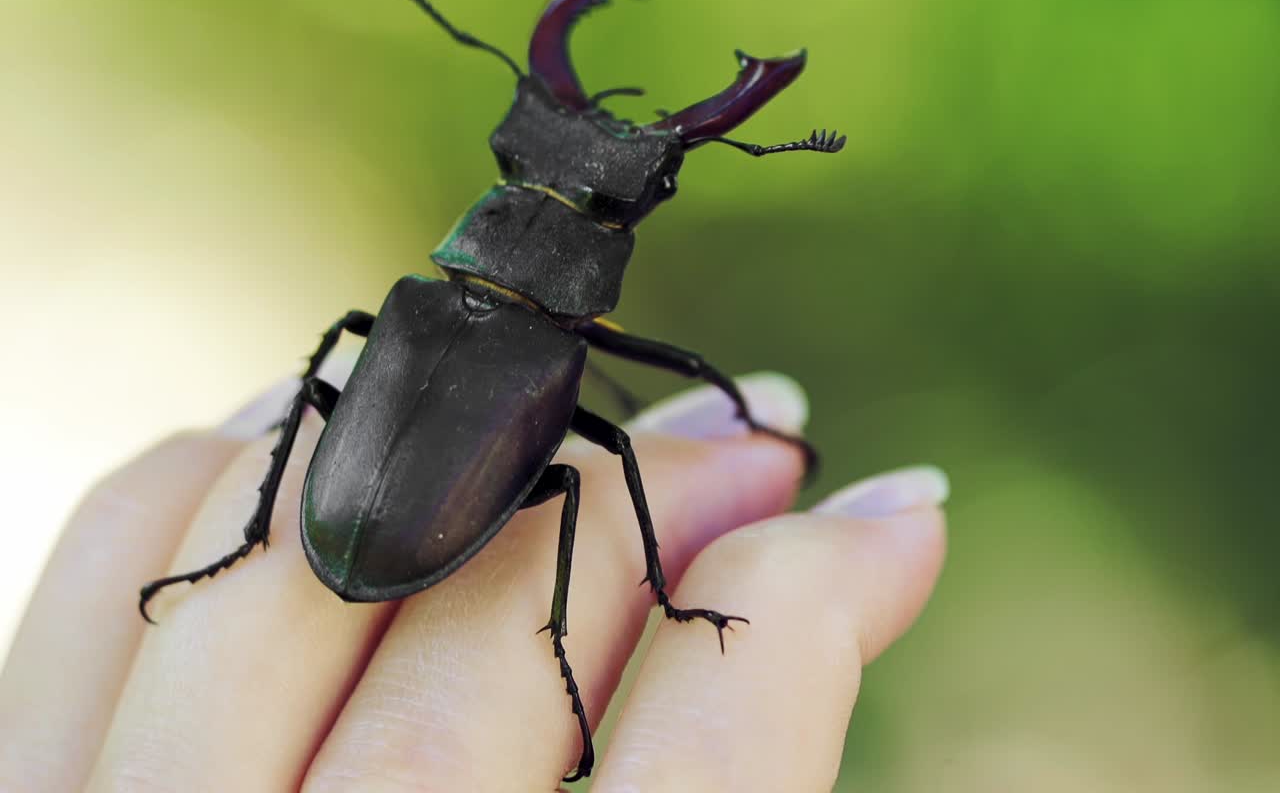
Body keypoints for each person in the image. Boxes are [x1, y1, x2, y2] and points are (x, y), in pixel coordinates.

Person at [0, 370, 946, 791]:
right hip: (382, 516)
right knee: (591, 469)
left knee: (591, 464)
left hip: (363, 502)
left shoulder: (412, 305)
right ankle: (574, 629)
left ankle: (255, 535)